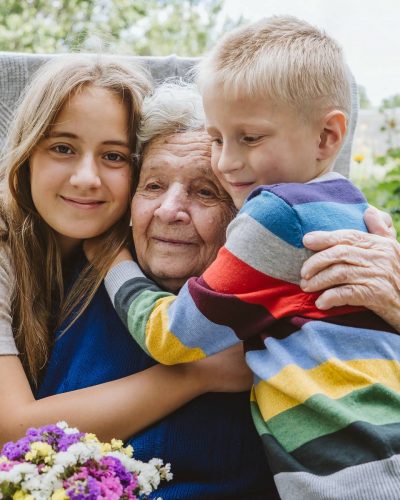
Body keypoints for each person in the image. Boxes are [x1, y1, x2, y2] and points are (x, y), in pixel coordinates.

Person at [100, 17, 400, 499]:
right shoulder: (351, 208)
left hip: (351, 476)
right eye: (218, 139)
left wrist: (112, 264)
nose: (228, 163)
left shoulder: (272, 213)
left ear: (327, 138)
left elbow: (170, 336)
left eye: (250, 139)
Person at [0, 59, 276, 499]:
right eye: (153, 186)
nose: (169, 211)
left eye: (205, 191)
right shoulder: (73, 277)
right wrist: (196, 373)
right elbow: (12, 433)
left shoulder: (272, 307)